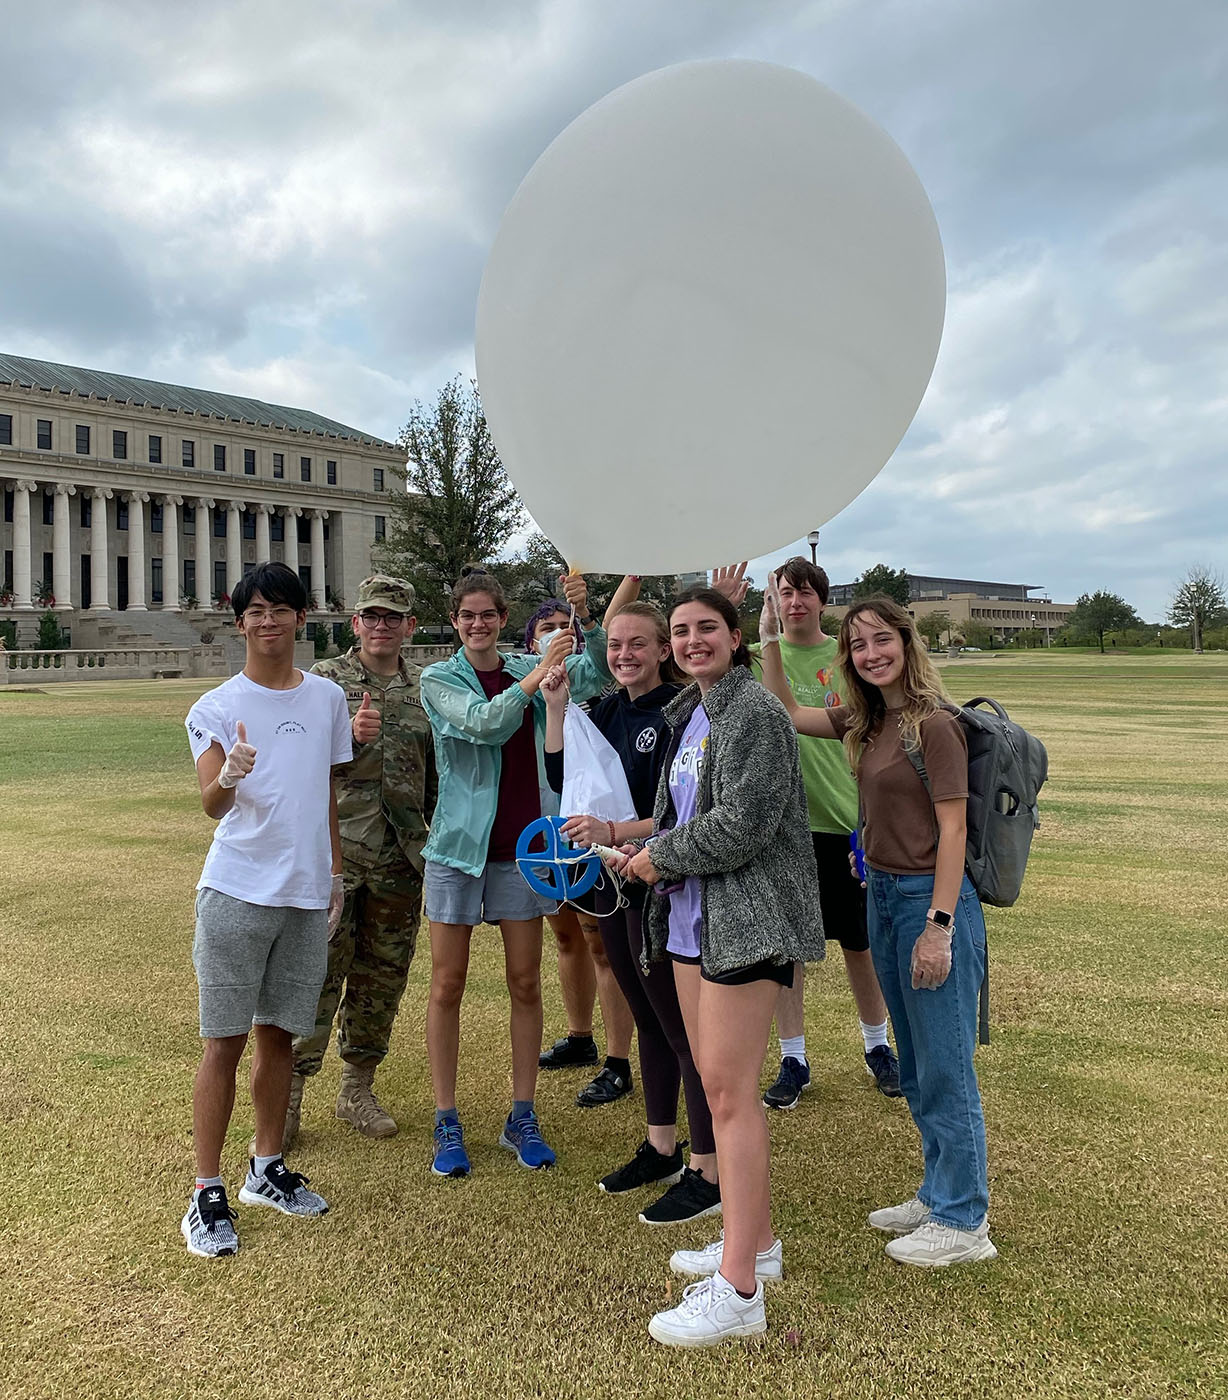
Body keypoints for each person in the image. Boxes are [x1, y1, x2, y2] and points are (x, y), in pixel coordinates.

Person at [758, 587, 997, 1269]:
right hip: (882, 894)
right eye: (857, 644)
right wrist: (770, 635)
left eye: (880, 639)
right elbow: (790, 711)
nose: (870, 653)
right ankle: (938, 1191)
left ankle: (964, 1219)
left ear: (906, 641)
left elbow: (954, 830)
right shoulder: (866, 722)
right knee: (918, 1062)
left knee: (945, 1062)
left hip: (929, 899)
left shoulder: (934, 725)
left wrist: (940, 926)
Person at [615, 586, 823, 1347]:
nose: (693, 640)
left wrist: (655, 857)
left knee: (731, 1097)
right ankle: (755, 1243)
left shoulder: (755, 713)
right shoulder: (691, 713)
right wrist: (642, 850)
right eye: (681, 631)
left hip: (749, 922)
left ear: (737, 639)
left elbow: (746, 822)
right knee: (717, 1083)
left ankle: (738, 1292)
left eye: (708, 628)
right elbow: (683, 814)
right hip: (692, 920)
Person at [181, 562, 351, 1258]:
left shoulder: (328, 699)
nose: (268, 620)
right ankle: (205, 1192)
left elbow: (327, 795)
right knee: (224, 1041)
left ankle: (265, 1168)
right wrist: (230, 774)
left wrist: (335, 877)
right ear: (239, 621)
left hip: (306, 894)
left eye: (281, 609)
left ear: (301, 619)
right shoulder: (216, 707)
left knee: (282, 1034)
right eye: (255, 610)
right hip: (237, 891)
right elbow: (211, 804)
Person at [420, 568, 612, 1178]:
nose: (478, 624)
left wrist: (589, 615)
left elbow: (599, 669)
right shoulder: (438, 678)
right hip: (456, 852)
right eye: (467, 615)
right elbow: (485, 723)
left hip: (523, 853)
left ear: (503, 618)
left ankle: (521, 1113)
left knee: (526, 984)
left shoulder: (525, 666)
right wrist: (534, 674)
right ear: (455, 621)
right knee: (447, 985)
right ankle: (446, 1119)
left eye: (488, 614)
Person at [541, 597, 721, 1225]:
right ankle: (662, 1145)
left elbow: (685, 812)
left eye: (639, 644)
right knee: (647, 1019)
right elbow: (564, 772)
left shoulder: (683, 714)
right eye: (615, 645)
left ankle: (709, 1167)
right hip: (612, 885)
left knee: (682, 1028)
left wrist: (617, 830)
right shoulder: (602, 709)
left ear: (663, 650)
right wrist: (557, 707)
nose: (624, 655)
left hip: (663, 887)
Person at [715, 559, 900, 1107]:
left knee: (858, 943)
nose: (793, 601)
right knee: (786, 950)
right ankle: (793, 1058)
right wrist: (742, 618)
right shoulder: (752, 657)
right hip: (782, 829)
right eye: (782, 593)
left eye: (803, 592)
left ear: (822, 600)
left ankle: (877, 1046)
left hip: (845, 824)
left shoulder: (845, 656)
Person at [285, 575, 437, 1147]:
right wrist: (345, 737)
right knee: (316, 973)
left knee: (382, 976)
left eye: (392, 617)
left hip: (402, 858)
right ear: (354, 623)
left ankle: (357, 1088)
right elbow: (295, 760)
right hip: (335, 857)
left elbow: (436, 773)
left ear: (409, 626)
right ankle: (291, 1091)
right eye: (371, 616)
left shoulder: (425, 688)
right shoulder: (323, 683)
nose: (381, 626)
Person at [525, 596, 635, 1107]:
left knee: (605, 946)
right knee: (568, 942)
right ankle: (580, 1037)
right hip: (548, 841)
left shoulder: (590, 692)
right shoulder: (526, 686)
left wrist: (604, 598)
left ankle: (620, 1056)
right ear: (531, 645)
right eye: (545, 630)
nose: (555, 635)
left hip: (601, 837)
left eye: (560, 627)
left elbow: (602, 647)